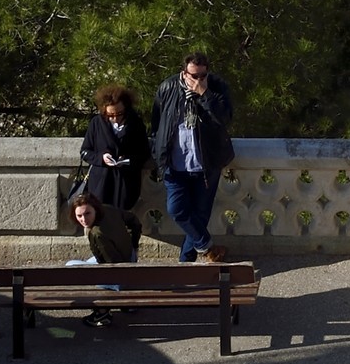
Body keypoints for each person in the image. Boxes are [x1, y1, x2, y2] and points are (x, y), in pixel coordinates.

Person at [150, 52, 235, 265]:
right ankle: (207, 246)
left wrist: (205, 95)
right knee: (176, 209)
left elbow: (225, 118)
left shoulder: (216, 87)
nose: (198, 80)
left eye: (203, 76)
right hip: (175, 164)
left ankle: (185, 261)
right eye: (194, 76)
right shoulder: (168, 88)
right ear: (184, 73)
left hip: (206, 163)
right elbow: (156, 122)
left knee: (201, 214)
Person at [79, 84, 149, 251]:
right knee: (99, 225)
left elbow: (144, 153)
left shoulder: (136, 123)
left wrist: (129, 160)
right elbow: (85, 151)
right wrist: (101, 158)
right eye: (110, 115)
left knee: (122, 222)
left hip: (125, 183)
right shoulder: (96, 123)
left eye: (119, 114)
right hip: (101, 183)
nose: (115, 118)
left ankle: (125, 253)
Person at [67, 192, 134, 265]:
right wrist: (135, 246)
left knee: (70, 264)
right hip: (131, 255)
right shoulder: (107, 209)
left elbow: (111, 264)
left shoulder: (97, 233)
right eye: (79, 216)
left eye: (87, 213)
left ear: (95, 210)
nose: (84, 219)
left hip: (121, 264)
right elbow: (133, 219)